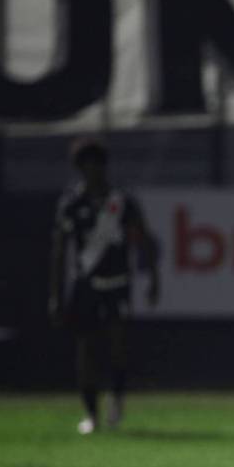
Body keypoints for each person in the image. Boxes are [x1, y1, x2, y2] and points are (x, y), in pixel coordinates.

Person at [49, 137, 160, 435]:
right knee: (86, 349)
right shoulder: (71, 205)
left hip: (118, 283)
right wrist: (56, 294)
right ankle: (91, 414)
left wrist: (153, 278)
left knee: (117, 347)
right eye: (86, 166)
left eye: (96, 165)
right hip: (86, 285)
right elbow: (60, 252)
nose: (92, 171)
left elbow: (144, 241)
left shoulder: (122, 203)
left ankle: (117, 398)